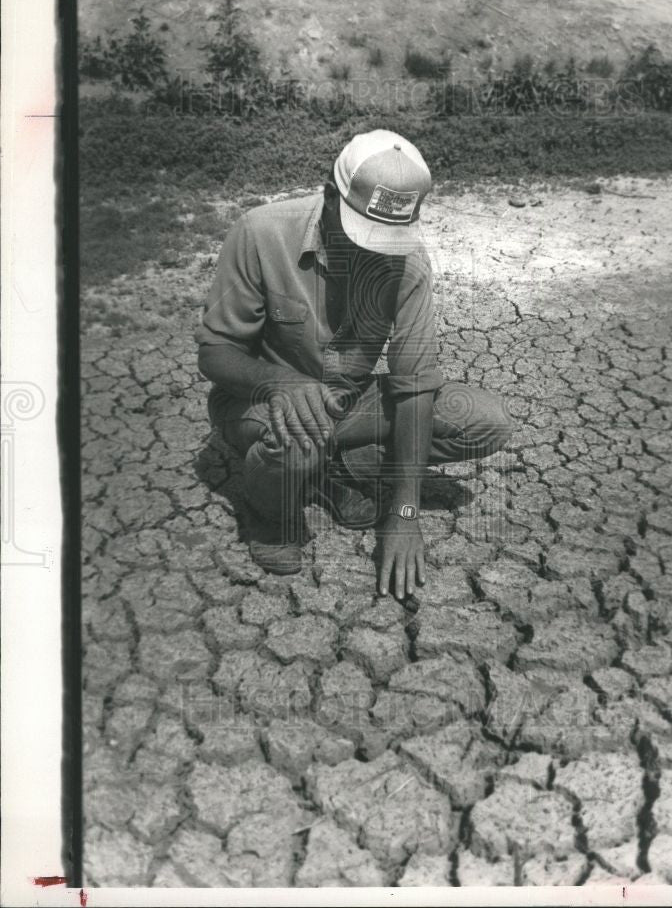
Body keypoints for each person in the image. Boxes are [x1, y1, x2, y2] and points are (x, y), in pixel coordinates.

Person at [196, 129, 512, 598]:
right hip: (259, 402)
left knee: (487, 423)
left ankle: (340, 465)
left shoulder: (409, 265)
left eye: (387, 239)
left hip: (346, 404)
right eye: (362, 233)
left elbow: (415, 387)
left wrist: (404, 514)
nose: (370, 252)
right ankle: (268, 513)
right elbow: (215, 353)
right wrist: (280, 381)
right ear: (329, 196)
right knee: (300, 437)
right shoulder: (260, 232)